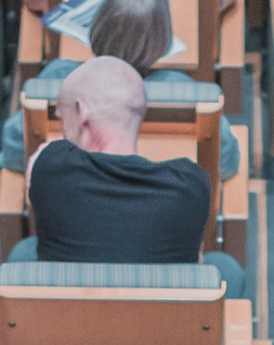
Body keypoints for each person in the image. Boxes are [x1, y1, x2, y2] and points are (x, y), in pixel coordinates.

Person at [20, 58, 245, 296]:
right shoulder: (191, 185)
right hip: (163, 327)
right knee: (225, 267)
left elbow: (44, 157)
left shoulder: (49, 169)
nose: (63, 130)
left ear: (81, 112)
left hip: (67, 323)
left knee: (23, 253)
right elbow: (195, 261)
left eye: (62, 118)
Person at [0, 0, 241, 181]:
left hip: (76, 203)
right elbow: (226, 163)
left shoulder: (57, 82)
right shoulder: (189, 94)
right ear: (164, 38)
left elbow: (16, 151)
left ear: (96, 28)